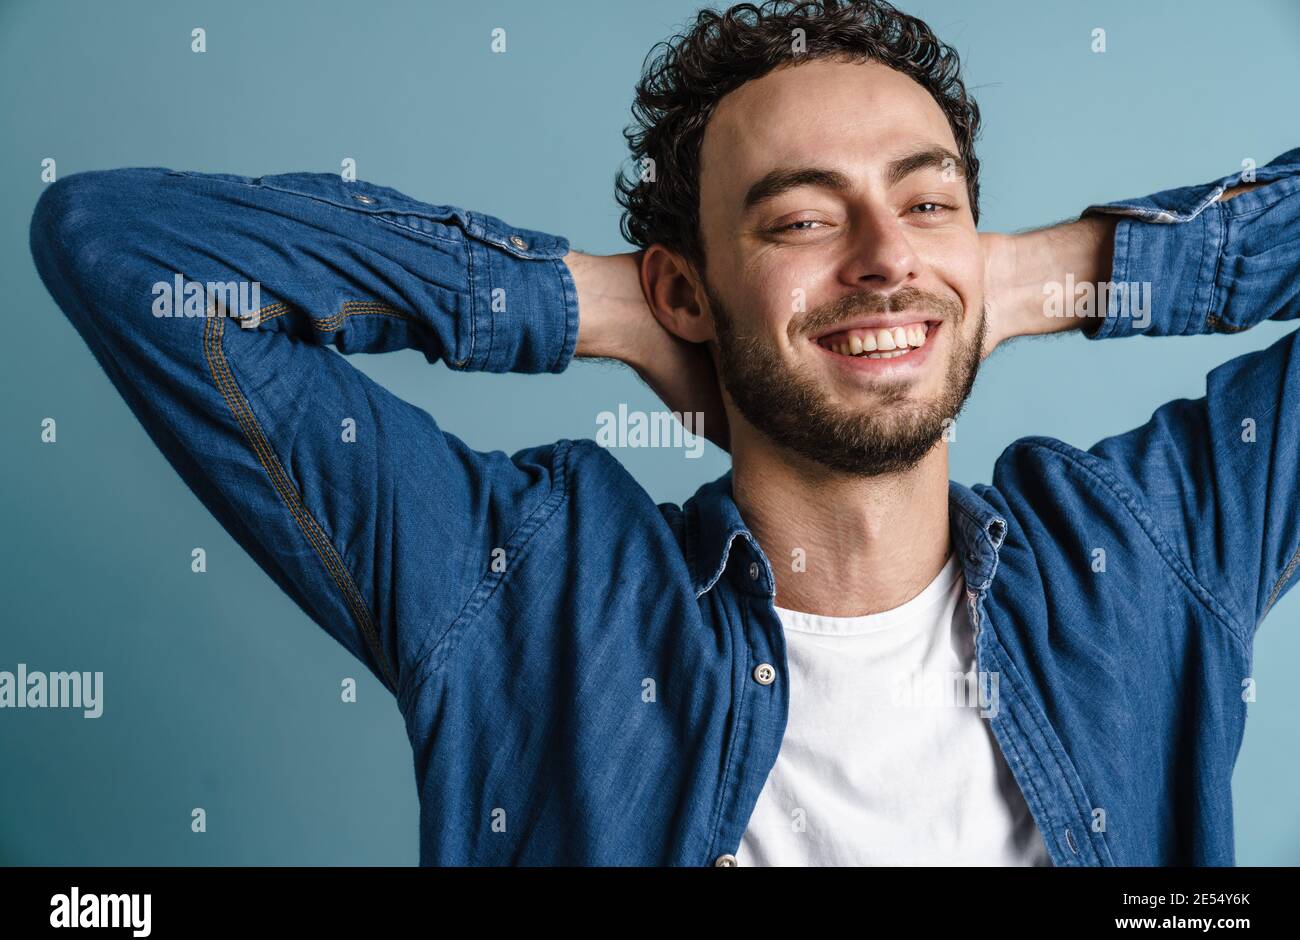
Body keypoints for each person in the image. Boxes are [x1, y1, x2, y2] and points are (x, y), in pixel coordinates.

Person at [28, 0, 1299, 866]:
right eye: (801, 221)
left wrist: (1038, 274)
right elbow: (117, 245)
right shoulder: (527, 590)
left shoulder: (1147, 549)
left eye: (924, 200)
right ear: (685, 288)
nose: (881, 258)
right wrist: (602, 308)